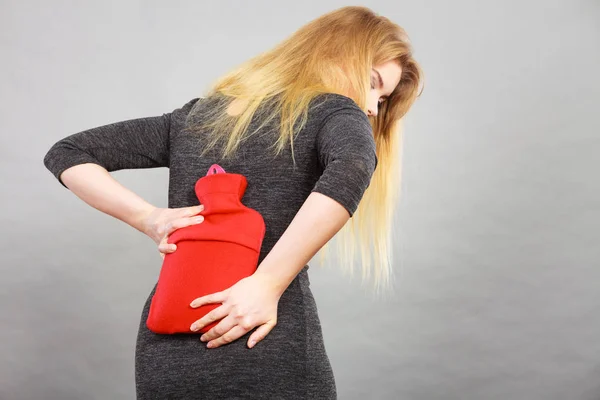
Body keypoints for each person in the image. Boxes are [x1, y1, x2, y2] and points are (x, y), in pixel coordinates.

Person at [43, 5, 423, 399]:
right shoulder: (334, 110)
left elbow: (68, 153)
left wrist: (149, 218)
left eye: (382, 99)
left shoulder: (197, 117)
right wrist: (267, 283)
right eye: (374, 83)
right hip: (267, 346)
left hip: (168, 350)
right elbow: (353, 168)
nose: (372, 107)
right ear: (341, 56)